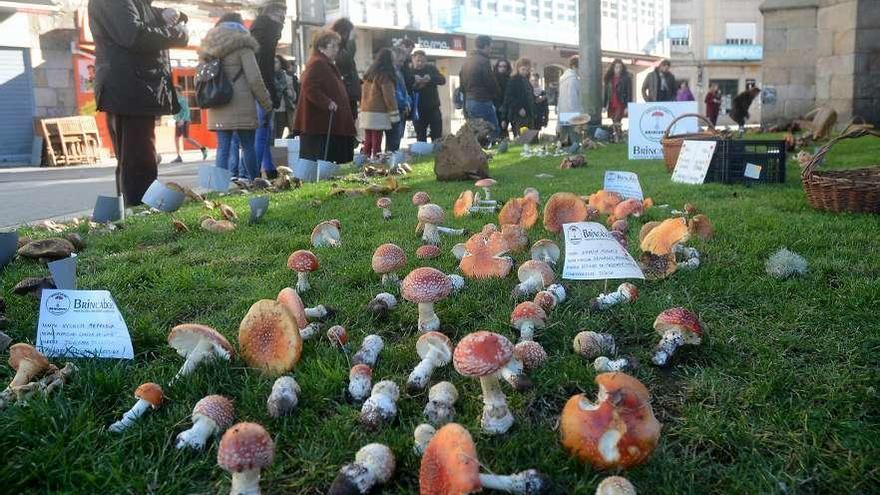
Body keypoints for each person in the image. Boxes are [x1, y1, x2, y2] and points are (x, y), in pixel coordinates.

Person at [88, 0, 188, 206]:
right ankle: (140, 211)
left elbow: (139, 15)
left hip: (133, 87)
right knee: (138, 159)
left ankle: (134, 210)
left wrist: (167, 14)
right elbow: (134, 34)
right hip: (130, 88)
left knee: (134, 158)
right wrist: (179, 34)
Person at [199, 13, 272, 183]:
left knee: (222, 147)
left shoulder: (208, 48)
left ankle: (219, 186)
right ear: (240, 26)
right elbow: (255, 79)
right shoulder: (243, 46)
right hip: (242, 105)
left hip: (217, 102)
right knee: (248, 146)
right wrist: (266, 103)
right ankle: (254, 181)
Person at [292, 30, 357, 164]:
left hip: (327, 123)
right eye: (332, 46)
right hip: (319, 123)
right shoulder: (317, 63)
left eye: (337, 46)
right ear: (321, 47)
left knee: (330, 160)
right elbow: (309, 86)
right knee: (319, 159)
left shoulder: (324, 63)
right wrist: (327, 102)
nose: (336, 49)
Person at [250, 0, 286, 179]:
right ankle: (256, 170)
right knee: (262, 130)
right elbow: (264, 67)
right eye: (281, 12)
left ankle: (266, 167)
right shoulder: (268, 29)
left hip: (259, 85)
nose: (283, 17)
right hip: (262, 86)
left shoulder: (259, 29)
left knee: (264, 130)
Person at [358, 48, 398, 158]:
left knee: (368, 138)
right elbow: (389, 97)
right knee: (377, 138)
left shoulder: (369, 73)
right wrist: (394, 114)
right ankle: (376, 159)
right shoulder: (385, 76)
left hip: (366, 110)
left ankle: (364, 159)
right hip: (378, 112)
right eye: (393, 58)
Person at [459, 35, 499, 140]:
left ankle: (476, 152)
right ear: (485, 46)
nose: (490, 50)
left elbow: (462, 85)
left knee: (476, 130)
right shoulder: (483, 61)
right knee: (493, 129)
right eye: (490, 47)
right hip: (482, 100)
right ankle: (493, 151)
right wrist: (497, 94)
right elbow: (490, 82)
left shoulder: (466, 62)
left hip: (469, 100)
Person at [410, 50, 446, 142]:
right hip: (417, 109)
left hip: (433, 107)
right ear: (413, 59)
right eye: (418, 60)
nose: (420, 63)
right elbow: (406, 87)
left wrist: (430, 78)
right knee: (420, 134)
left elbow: (442, 80)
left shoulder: (431, 68)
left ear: (426, 61)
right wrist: (416, 84)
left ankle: (438, 153)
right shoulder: (409, 71)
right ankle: (423, 154)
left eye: (422, 61)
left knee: (437, 133)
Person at [329, 18, 361, 121]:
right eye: (349, 32)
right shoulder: (335, 46)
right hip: (343, 93)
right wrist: (351, 41)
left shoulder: (343, 47)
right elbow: (345, 60)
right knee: (346, 123)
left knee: (352, 120)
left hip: (349, 93)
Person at [384, 45, 412, 153]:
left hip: (401, 108)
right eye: (400, 61)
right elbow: (395, 93)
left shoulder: (399, 72)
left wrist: (408, 102)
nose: (401, 64)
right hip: (396, 109)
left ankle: (392, 157)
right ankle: (391, 158)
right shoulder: (391, 73)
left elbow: (404, 91)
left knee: (397, 137)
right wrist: (405, 103)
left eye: (403, 61)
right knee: (394, 139)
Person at [171, 86, 208, 162]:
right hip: (178, 121)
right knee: (176, 138)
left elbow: (187, 111)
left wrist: (183, 120)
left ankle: (203, 148)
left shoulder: (182, 99)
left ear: (179, 91)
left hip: (184, 121)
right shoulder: (175, 100)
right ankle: (178, 156)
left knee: (186, 138)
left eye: (175, 91)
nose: (174, 92)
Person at [503, 57, 536, 137]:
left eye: (527, 70)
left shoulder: (526, 80)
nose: (525, 72)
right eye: (523, 69)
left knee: (528, 138)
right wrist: (519, 108)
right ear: (518, 68)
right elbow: (509, 97)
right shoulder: (514, 80)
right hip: (519, 115)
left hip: (528, 114)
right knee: (521, 138)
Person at [556, 55, 584, 145]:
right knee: (575, 141)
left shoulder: (563, 79)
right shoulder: (573, 79)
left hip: (564, 112)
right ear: (575, 67)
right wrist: (579, 116)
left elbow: (560, 98)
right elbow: (573, 99)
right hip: (572, 113)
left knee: (564, 141)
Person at [603, 58, 632, 143]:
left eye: (619, 67)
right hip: (611, 103)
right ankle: (619, 136)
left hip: (621, 102)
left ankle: (617, 138)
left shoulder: (626, 78)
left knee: (616, 120)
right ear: (613, 68)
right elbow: (605, 93)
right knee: (614, 121)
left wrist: (627, 106)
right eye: (616, 67)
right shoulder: (609, 78)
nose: (618, 69)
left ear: (622, 68)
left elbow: (629, 92)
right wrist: (604, 105)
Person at [273, 55, 297, 138]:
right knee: (272, 137)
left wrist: (290, 93)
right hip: (272, 110)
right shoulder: (269, 77)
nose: (273, 64)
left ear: (281, 64)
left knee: (279, 137)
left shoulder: (287, 77)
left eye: (276, 62)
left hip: (284, 110)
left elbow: (294, 96)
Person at [493, 58, 512, 139]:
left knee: (504, 129)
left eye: (504, 66)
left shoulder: (509, 80)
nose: (502, 68)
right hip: (495, 107)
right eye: (500, 66)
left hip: (506, 108)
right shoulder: (493, 79)